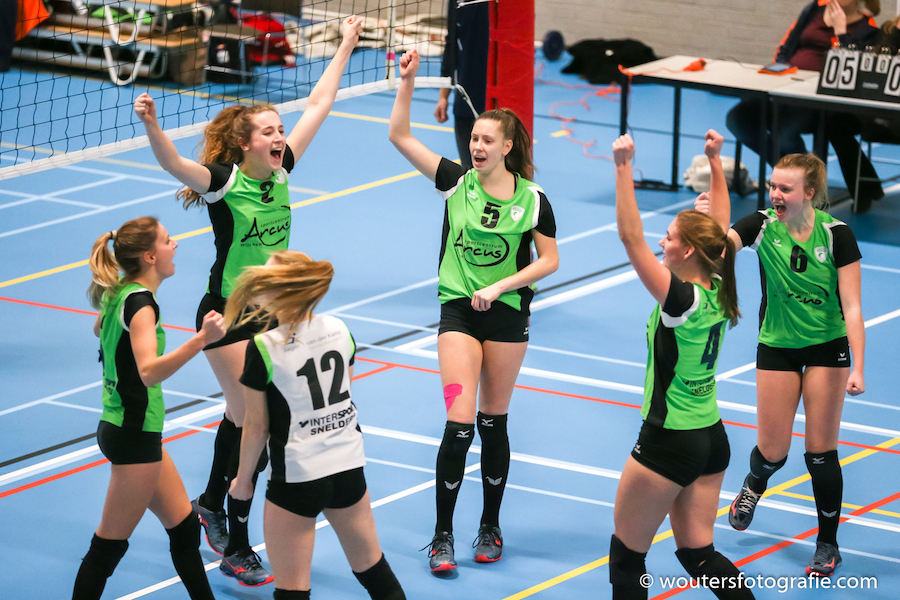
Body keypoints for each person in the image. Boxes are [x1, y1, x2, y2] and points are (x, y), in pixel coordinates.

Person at [133, 15, 362, 586]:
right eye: (268, 132)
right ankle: (234, 540)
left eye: (281, 130)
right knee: (252, 418)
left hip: (273, 314)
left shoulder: (282, 173)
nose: (280, 137)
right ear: (244, 143)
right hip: (227, 314)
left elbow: (320, 103)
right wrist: (152, 123)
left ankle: (214, 502)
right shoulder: (224, 183)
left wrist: (346, 44)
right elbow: (174, 165)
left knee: (249, 419)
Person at [389, 48, 559, 572]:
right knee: (459, 422)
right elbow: (400, 136)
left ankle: (490, 526)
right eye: (474, 138)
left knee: (493, 421)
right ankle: (442, 535)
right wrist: (408, 81)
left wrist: (501, 285)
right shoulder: (456, 182)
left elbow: (549, 260)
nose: (477, 146)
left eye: (487, 140)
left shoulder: (533, 200)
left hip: (507, 316)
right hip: (459, 313)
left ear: (507, 146)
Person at [609, 132, 754, 600]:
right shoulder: (718, 280)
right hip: (710, 437)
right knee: (698, 554)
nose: (661, 241)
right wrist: (715, 161)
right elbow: (720, 229)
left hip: (669, 440)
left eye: (669, 238)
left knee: (627, 559)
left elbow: (631, 238)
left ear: (688, 251)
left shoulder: (681, 299)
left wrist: (623, 167)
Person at [708, 152, 865, 577]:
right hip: (777, 346)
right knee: (773, 451)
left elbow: (852, 306)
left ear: (809, 193)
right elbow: (722, 247)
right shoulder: (761, 225)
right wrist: (713, 192)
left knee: (820, 452)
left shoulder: (837, 236)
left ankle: (827, 543)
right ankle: (755, 483)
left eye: (785, 189)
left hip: (827, 348)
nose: (775, 194)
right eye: (772, 186)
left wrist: (858, 367)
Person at [226, 251, 406, 600]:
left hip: (298, 477)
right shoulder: (339, 329)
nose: (257, 284)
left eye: (266, 279)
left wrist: (243, 480)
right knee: (374, 571)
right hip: (348, 466)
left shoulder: (264, 347)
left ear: (284, 292)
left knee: (292, 590)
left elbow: (257, 427)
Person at [73, 217, 226, 600]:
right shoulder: (141, 305)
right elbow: (148, 372)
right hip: (132, 435)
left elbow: (99, 328)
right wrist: (202, 339)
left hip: (131, 429)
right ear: (150, 256)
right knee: (107, 550)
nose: (175, 245)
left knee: (185, 529)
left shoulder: (121, 293)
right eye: (167, 240)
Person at [725, 0, 883, 213]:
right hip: (784, 89)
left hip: (819, 102)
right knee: (738, 119)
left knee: (785, 134)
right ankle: (796, 178)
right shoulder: (814, 9)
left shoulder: (867, 27)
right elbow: (787, 46)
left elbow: (853, 70)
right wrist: (779, 70)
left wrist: (840, 32)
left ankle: (802, 185)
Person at [434, 0, 489, 169]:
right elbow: (451, 43)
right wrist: (443, 96)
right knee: (469, 171)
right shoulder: (457, 2)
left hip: (497, 101)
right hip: (465, 99)